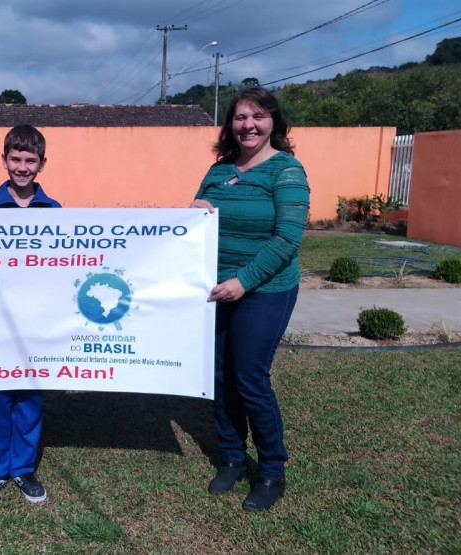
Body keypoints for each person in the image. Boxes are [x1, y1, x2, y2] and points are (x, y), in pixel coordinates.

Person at [190, 87, 309, 512]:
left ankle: (273, 469)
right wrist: (193, 210)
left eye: (257, 117)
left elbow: (287, 239)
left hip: (266, 290)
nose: (248, 125)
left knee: (250, 378)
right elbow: (198, 216)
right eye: (240, 118)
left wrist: (244, 281)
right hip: (216, 290)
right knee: (220, 375)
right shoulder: (218, 171)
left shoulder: (287, 172)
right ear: (230, 125)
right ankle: (233, 458)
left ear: (273, 121)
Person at [0, 124, 61, 507]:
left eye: (30, 160)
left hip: (35, 319)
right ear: (4, 159)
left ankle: (23, 467)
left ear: (42, 164)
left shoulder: (54, 210)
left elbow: (62, 264)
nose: (22, 167)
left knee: (28, 394)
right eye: (15, 159)